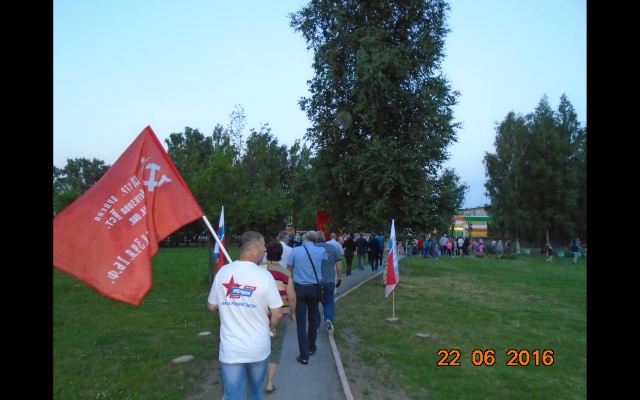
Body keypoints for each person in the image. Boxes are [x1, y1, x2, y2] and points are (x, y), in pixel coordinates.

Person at [207, 231, 283, 400]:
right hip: (257, 348)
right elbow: (277, 313)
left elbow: (211, 306)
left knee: (232, 395)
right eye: (263, 246)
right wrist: (271, 327)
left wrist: (230, 299)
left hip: (231, 349)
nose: (265, 250)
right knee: (255, 392)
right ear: (254, 249)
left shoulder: (223, 272)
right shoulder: (264, 276)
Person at [260, 241, 296, 395]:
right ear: (281, 255)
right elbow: (291, 297)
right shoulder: (285, 273)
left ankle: (255, 379)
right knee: (275, 347)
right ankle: (269, 383)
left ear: (267, 252)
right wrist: (293, 313)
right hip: (280, 313)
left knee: (258, 346)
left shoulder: (258, 269)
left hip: (259, 314)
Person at [287, 230, 327, 365]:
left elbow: (289, 269)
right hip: (315, 288)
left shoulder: (295, 251)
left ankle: (304, 355)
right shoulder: (321, 251)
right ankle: (311, 347)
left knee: (301, 321)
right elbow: (325, 260)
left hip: (299, 288)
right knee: (313, 318)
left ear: (305, 238)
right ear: (316, 240)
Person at [315, 231, 343, 333]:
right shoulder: (332, 248)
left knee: (314, 303)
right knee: (329, 301)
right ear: (324, 238)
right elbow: (338, 263)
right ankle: (328, 319)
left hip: (315, 281)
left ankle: (316, 325)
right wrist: (340, 276)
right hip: (329, 280)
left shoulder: (312, 249)